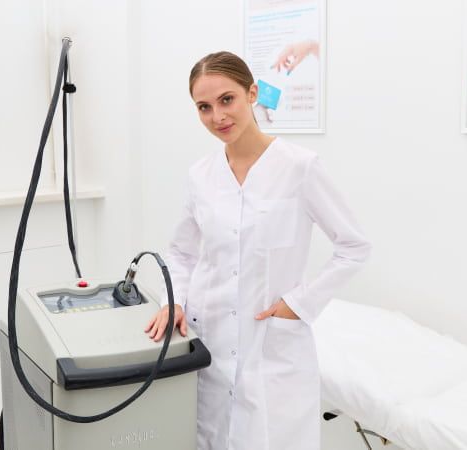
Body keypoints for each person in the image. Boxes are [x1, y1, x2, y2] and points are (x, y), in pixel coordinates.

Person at [144, 51, 372, 450]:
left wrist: (298, 304)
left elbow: (354, 246)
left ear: (252, 94)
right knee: (210, 437)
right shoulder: (200, 176)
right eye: (204, 107)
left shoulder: (299, 167)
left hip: (272, 346)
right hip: (209, 341)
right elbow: (181, 253)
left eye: (227, 99)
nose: (217, 116)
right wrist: (174, 300)